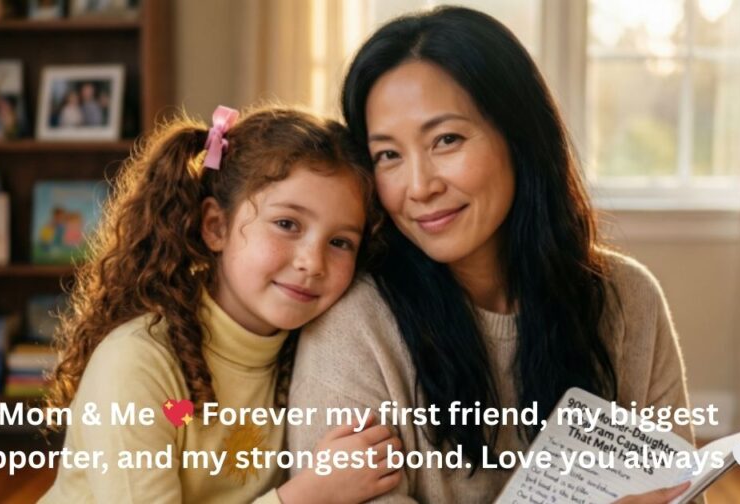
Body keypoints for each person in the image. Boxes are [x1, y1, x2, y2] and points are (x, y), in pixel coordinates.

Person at [288, 7, 696, 504]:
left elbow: (679, 492)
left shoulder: (628, 299)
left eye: (447, 140)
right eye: (388, 155)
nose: (419, 187)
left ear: (520, 138)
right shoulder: (353, 324)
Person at [41, 106, 401, 503]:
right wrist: (308, 496)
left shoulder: (310, 348)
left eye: (340, 242)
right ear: (215, 226)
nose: (312, 263)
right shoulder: (136, 364)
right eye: (287, 224)